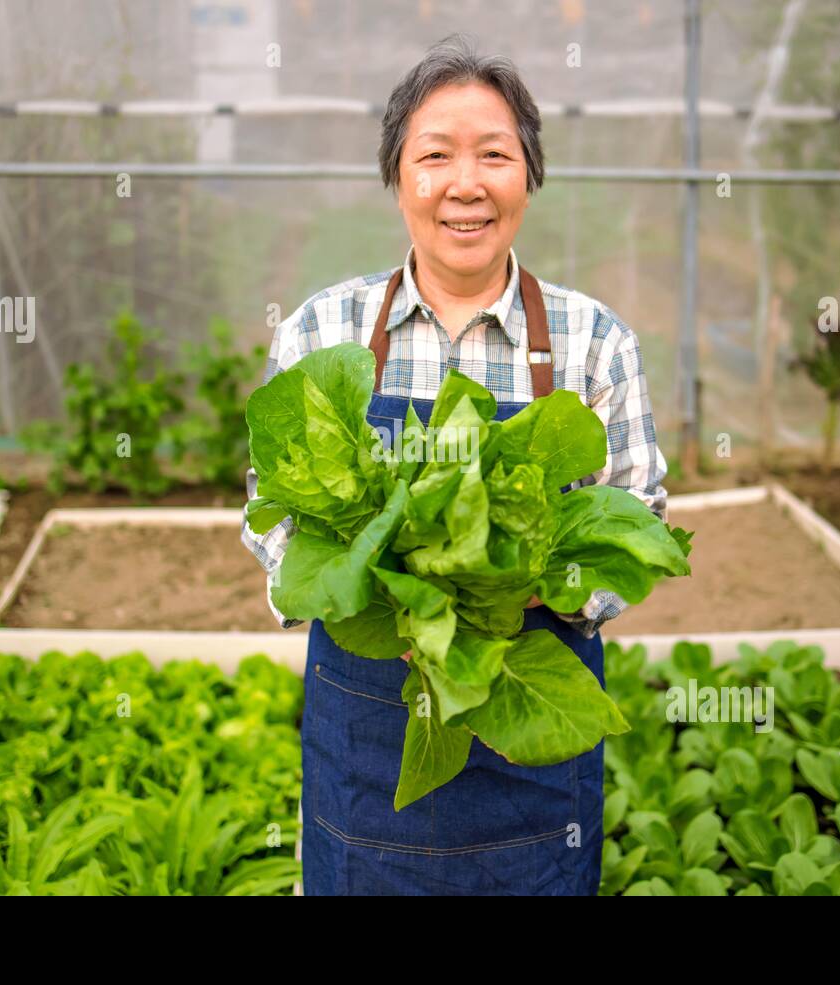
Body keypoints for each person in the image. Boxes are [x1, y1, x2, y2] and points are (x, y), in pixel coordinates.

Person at [240, 33, 668, 896]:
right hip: (370, 742)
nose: (465, 184)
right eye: (434, 155)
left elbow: (639, 516)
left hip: (530, 753)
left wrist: (531, 585)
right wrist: (386, 601)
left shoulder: (593, 343)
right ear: (399, 177)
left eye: (495, 155)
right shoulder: (322, 332)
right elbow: (274, 515)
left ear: (528, 177)